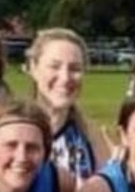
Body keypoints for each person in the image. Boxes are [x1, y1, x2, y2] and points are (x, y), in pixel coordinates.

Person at [27, 29, 109, 182]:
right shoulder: (9, 131)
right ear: (33, 68)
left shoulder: (92, 138)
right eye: (54, 66)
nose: (65, 78)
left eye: (75, 69)